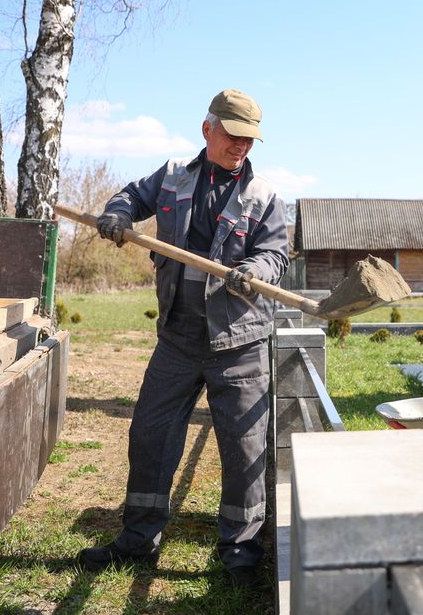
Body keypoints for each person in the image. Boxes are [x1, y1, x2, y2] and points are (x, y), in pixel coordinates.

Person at [76, 89, 288, 587]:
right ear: (207, 129)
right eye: (233, 135)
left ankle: (240, 552)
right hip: (178, 337)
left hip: (239, 342)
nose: (242, 147)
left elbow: (276, 254)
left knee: (244, 448)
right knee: (150, 435)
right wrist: (120, 214)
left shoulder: (265, 196)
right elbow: (130, 195)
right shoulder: (172, 176)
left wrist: (253, 267)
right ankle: (138, 539)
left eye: (250, 139)